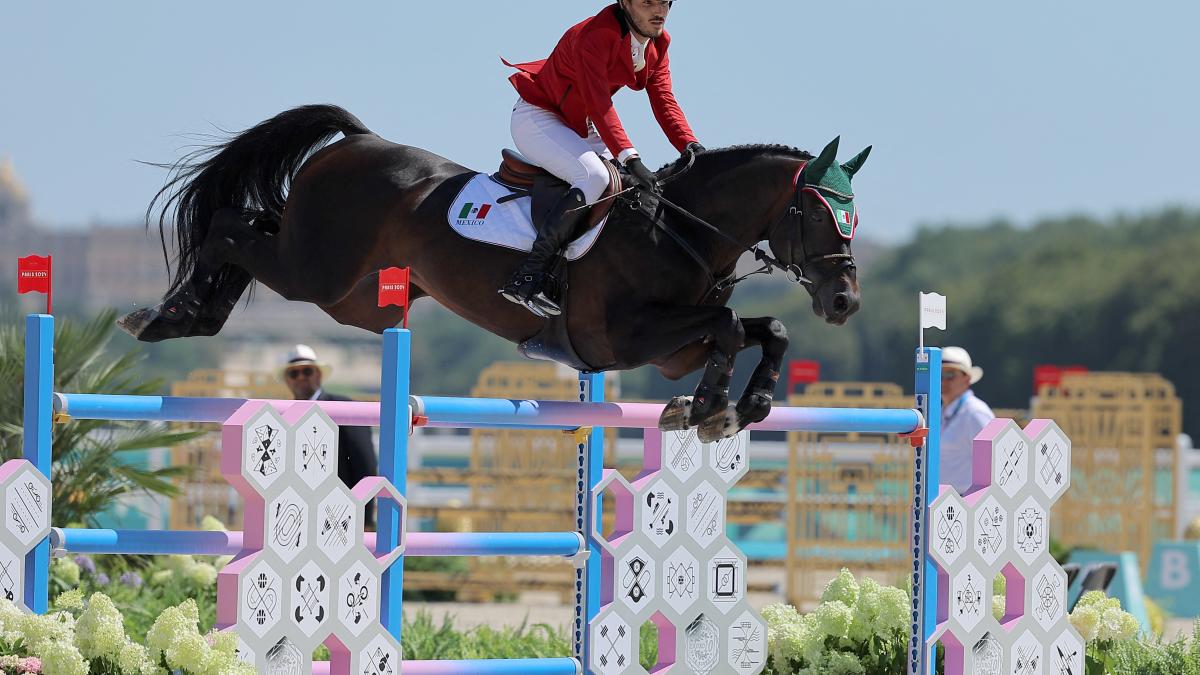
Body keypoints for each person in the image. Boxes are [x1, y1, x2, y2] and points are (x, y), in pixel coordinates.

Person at [498, 0, 704, 317]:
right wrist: (631, 156)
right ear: (624, 3)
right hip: (539, 116)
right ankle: (529, 275)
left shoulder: (659, 43)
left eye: (664, 2)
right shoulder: (595, 35)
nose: (658, 10)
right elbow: (599, 104)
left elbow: (663, 98)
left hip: (579, 122)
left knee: (628, 186)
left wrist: (690, 146)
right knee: (595, 177)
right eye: (647, 2)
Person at [281, 345, 379, 526]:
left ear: (318, 374)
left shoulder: (344, 408)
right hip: (298, 518)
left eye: (307, 371)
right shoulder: (284, 415)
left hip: (341, 515)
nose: (301, 377)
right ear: (287, 380)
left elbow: (365, 464)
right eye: (294, 374)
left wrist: (363, 519)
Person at [939, 346, 995, 494]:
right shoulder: (939, 412)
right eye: (939, 375)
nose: (943, 381)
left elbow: (996, 463)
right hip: (945, 502)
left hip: (967, 503)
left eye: (950, 374)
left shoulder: (976, 412)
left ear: (967, 378)